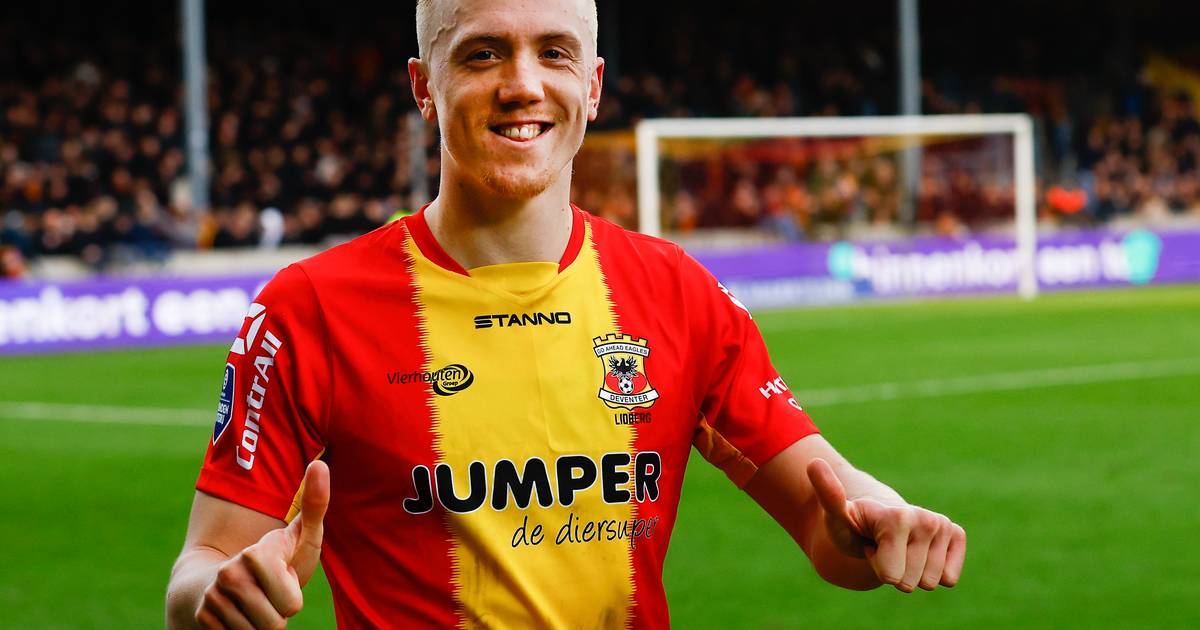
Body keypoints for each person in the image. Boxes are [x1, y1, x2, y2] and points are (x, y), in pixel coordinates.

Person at [165, 0, 966, 627]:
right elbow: (202, 565)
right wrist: (216, 597)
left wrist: (884, 525)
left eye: (554, 52)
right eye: (482, 53)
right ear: (423, 87)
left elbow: (829, 523)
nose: (523, 83)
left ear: (593, 84)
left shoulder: (680, 293)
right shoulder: (307, 309)